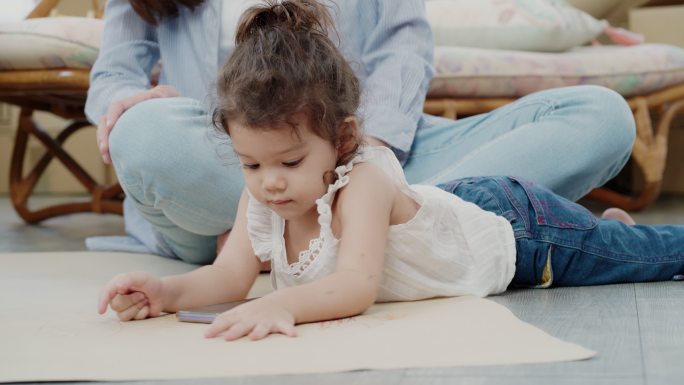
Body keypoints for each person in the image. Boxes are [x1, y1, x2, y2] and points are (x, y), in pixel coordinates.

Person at [98, 1, 681, 341]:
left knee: (646, 246)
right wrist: (165, 293)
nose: (268, 181)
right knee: (150, 133)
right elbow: (227, 282)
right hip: (310, 165)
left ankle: (595, 236)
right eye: (251, 166)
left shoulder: (361, 172)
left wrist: (282, 303)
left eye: (286, 164)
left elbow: (356, 287)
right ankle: (395, 223)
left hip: (512, 223)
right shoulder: (266, 182)